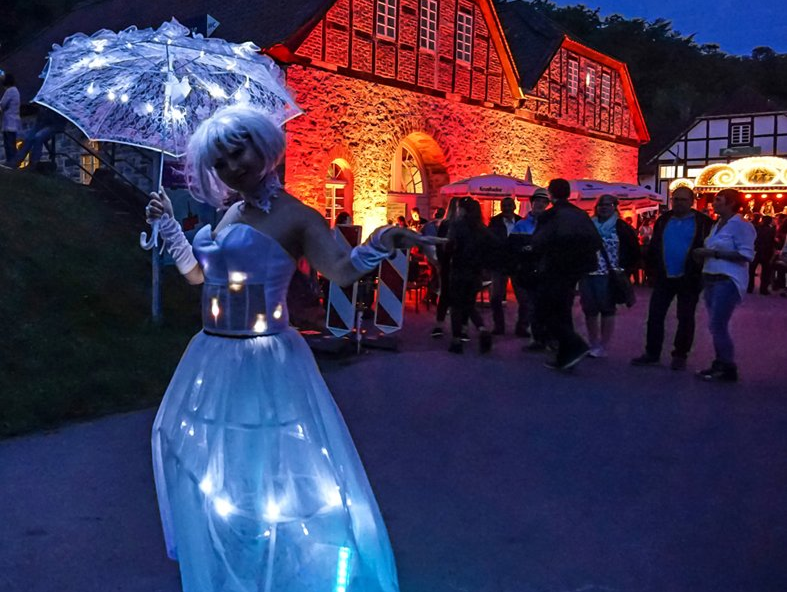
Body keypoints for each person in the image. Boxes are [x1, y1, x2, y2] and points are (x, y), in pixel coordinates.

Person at [145, 105, 441, 592]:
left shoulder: (297, 216)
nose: (232, 167)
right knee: (213, 463)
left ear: (262, 146)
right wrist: (173, 229)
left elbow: (342, 272)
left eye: (237, 151)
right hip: (212, 355)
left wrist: (385, 239)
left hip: (264, 357)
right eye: (220, 161)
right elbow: (202, 279)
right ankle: (236, 563)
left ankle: (279, 571)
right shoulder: (228, 214)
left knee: (272, 467)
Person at [631, 187, 712, 370]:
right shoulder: (664, 220)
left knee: (685, 317)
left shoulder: (703, 222)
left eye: (683, 200)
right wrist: (652, 270)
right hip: (664, 276)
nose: (678, 203)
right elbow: (655, 245)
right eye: (675, 199)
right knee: (655, 316)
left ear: (691, 201)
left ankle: (680, 355)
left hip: (689, 277)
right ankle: (652, 353)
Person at [532, 178, 602, 370]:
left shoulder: (551, 215)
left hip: (555, 268)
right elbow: (596, 241)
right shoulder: (580, 214)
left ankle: (574, 344)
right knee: (563, 310)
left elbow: (539, 242)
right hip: (576, 270)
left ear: (550, 194)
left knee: (545, 310)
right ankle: (566, 355)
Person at [692, 188, 756, 382]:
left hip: (727, 279)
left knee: (717, 324)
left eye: (719, 200)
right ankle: (720, 362)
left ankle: (727, 365)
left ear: (731, 203)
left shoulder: (741, 226)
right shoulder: (717, 224)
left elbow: (746, 254)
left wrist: (713, 254)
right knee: (715, 325)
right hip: (711, 276)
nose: (714, 203)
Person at [578, 194, 640, 358]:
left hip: (609, 274)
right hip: (588, 272)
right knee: (589, 310)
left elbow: (633, 250)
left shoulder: (621, 227)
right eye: (600, 205)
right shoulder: (588, 225)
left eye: (608, 205)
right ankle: (593, 343)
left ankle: (603, 345)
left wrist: (624, 269)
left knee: (606, 309)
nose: (604, 208)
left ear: (614, 207)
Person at [446, 197, 494, 354]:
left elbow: (450, 247)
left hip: (459, 270)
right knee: (469, 305)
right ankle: (482, 329)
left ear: (463, 210)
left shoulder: (457, 226)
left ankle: (456, 340)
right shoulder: (482, 228)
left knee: (456, 307)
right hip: (475, 273)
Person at [511, 188, 550, 350]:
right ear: (532, 203)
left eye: (543, 201)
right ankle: (535, 337)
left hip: (545, 270)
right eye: (537, 201)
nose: (539, 204)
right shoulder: (521, 224)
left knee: (544, 305)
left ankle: (544, 336)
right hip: (527, 270)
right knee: (530, 304)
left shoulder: (550, 223)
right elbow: (512, 246)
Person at [488, 196, 528, 336]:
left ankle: (522, 327)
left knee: (524, 299)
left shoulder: (521, 222)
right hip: (499, 265)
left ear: (514, 207)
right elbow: (491, 242)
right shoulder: (494, 222)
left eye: (509, 205)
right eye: (504, 206)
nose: (506, 208)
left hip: (517, 265)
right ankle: (499, 327)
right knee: (495, 298)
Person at [431, 198, 460, 338]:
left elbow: (438, 244)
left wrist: (441, 261)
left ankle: (440, 324)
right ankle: (455, 327)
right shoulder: (452, 225)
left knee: (446, 294)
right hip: (453, 264)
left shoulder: (446, 224)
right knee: (449, 294)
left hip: (449, 264)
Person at [7, 105, 66, 169]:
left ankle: (34, 163)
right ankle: (17, 160)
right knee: (28, 138)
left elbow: (60, 118)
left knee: (38, 137)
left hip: (56, 124)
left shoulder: (62, 103)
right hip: (43, 121)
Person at [748, 215, 776, 294]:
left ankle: (750, 287)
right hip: (767, 252)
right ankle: (763, 289)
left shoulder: (756, 228)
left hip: (756, 251)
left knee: (751, 270)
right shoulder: (772, 231)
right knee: (765, 272)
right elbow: (773, 242)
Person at [0, 72, 21, 165]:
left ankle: (11, 162)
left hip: (9, 121)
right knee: (12, 143)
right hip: (15, 121)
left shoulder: (10, 91)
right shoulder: (16, 90)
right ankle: (13, 162)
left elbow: (2, 104)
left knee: (9, 144)